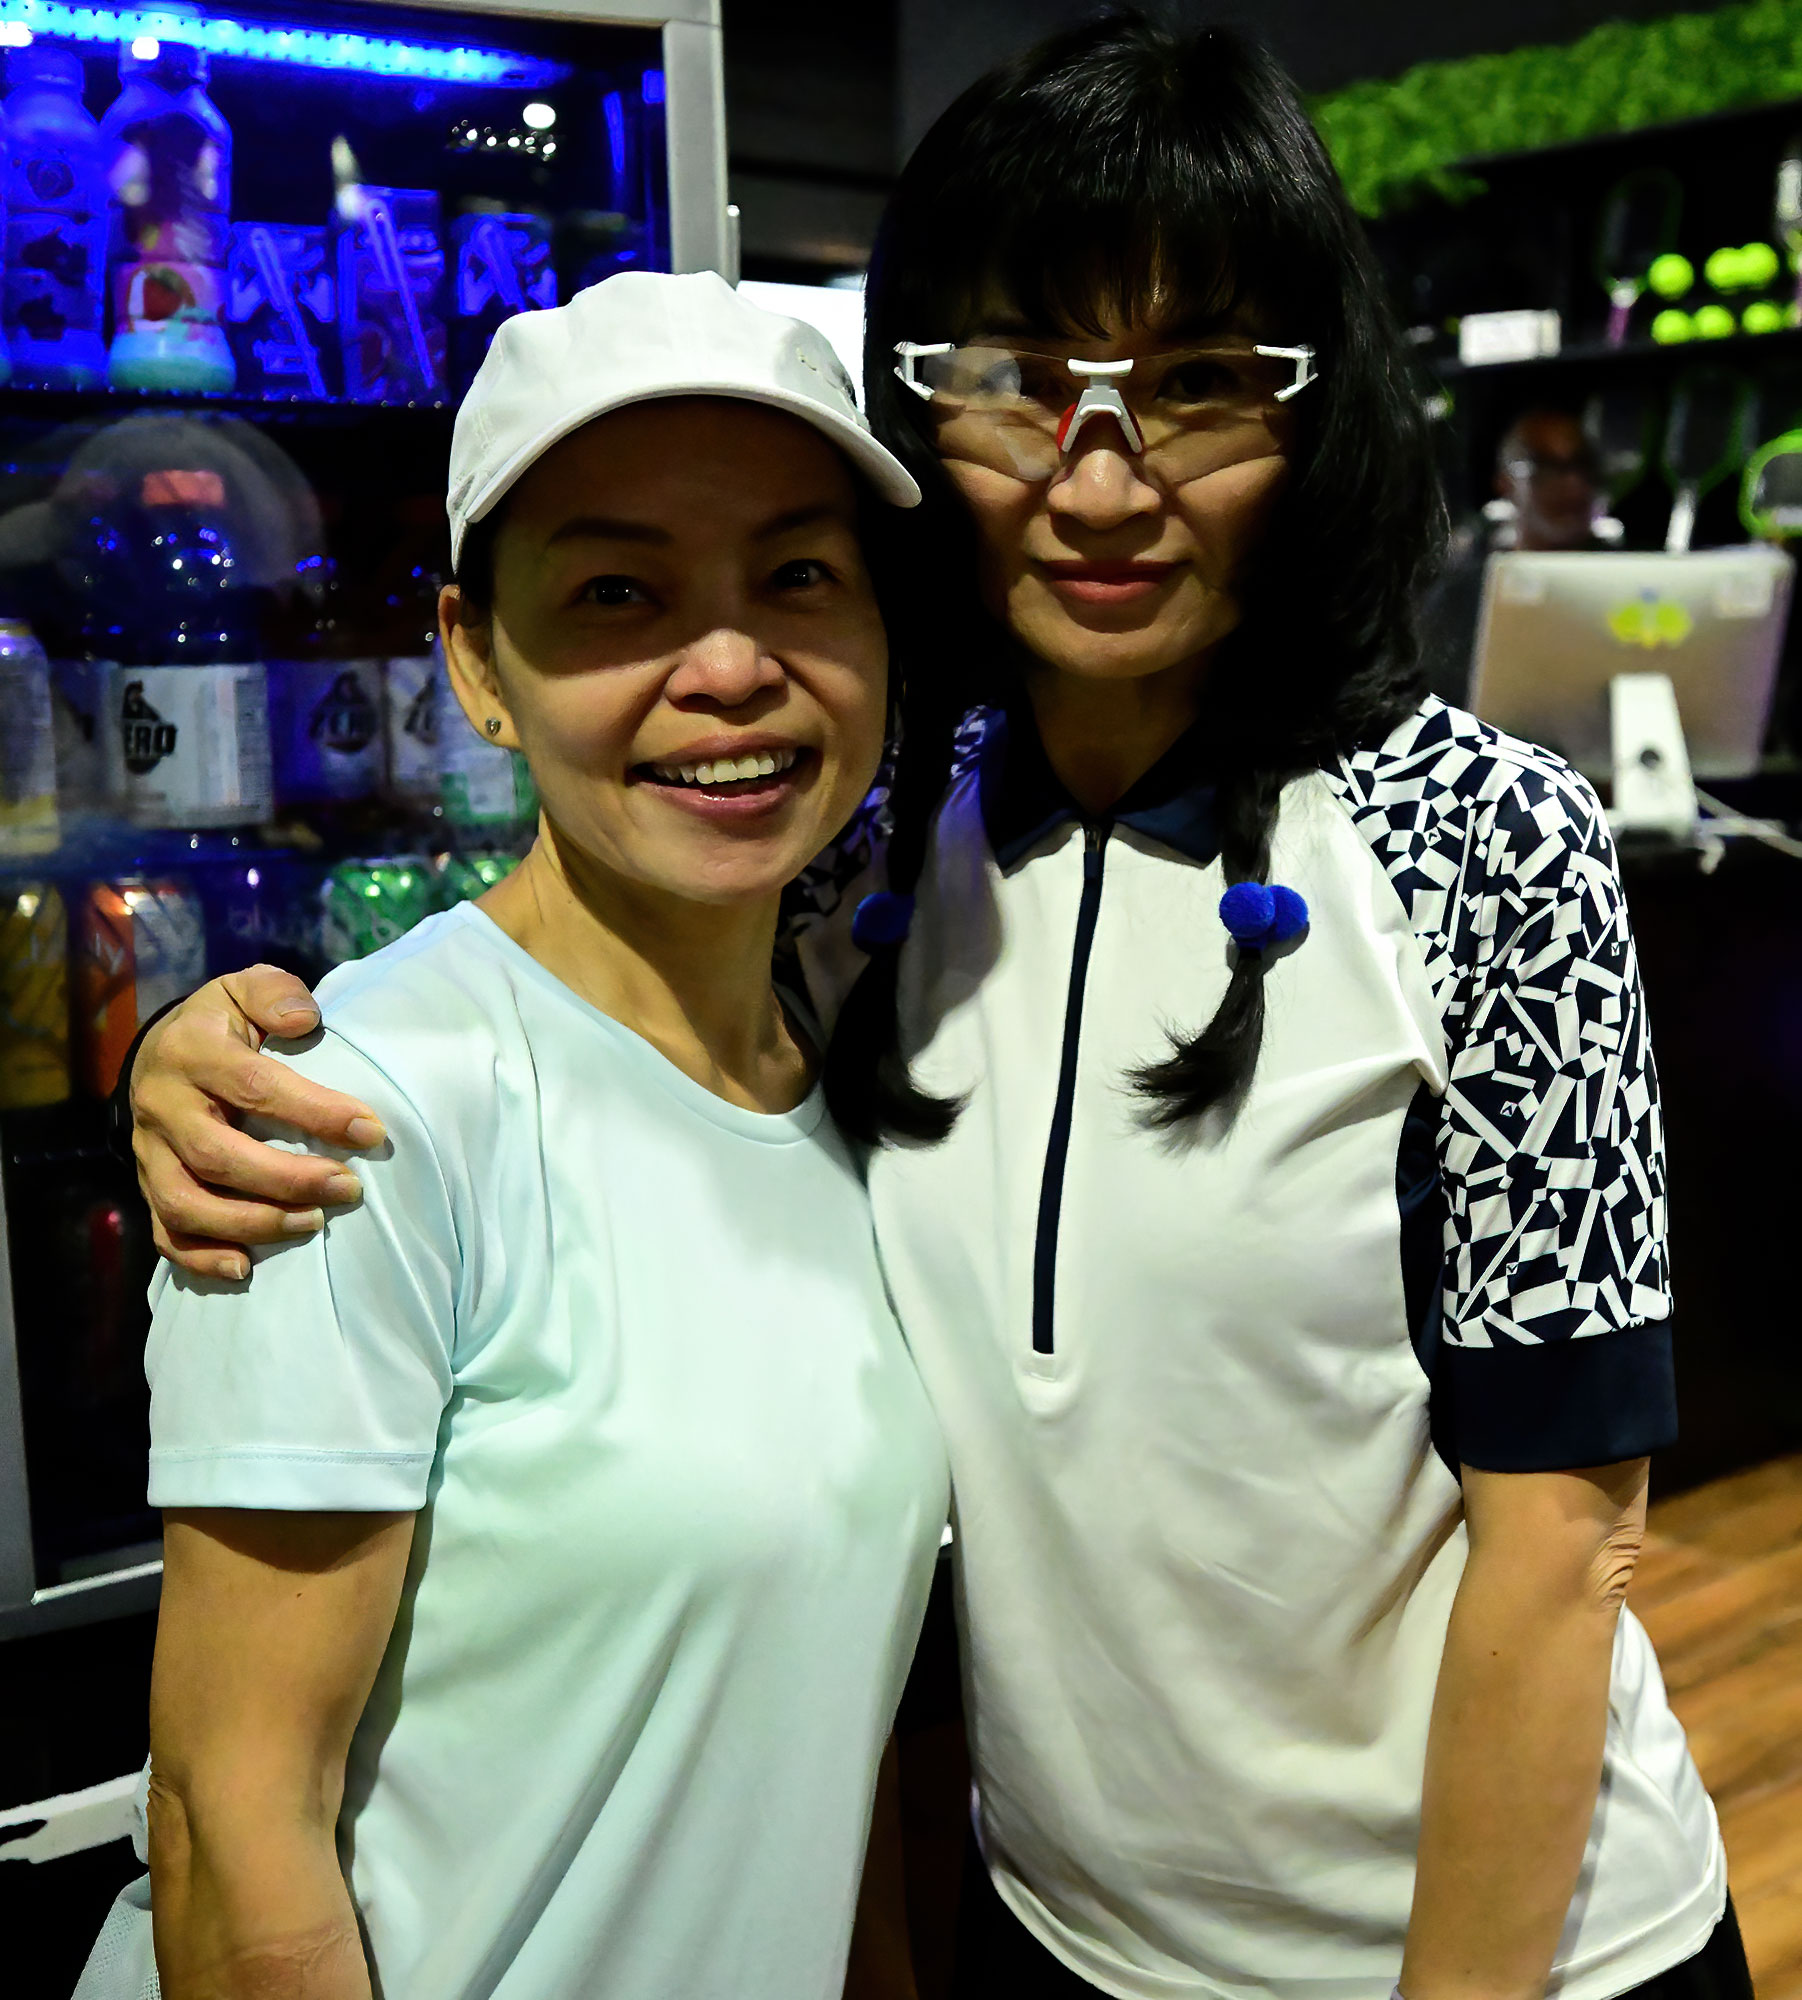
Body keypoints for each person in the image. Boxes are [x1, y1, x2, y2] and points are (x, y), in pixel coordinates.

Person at [124, 19, 1746, 2000]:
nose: (1100, 478)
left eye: (1197, 385)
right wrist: (194, 1054)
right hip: (1057, 1940)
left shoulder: (1485, 848)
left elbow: (1565, 1540)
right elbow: (578, 980)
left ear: (1310, 413)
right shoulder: (874, 859)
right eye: (1013, 381)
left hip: (1499, 1956)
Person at [77, 272, 947, 2000]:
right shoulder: (359, 1110)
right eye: (619, 592)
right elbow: (232, 1821)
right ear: (476, 661)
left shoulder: (870, 1064)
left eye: (798, 577)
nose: (730, 669)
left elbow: (803, 1737)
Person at [1418, 406, 1608, 700]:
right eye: (1545, 467)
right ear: (1505, 483)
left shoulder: (1634, 582)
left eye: (1582, 466)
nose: (1573, 484)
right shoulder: (1461, 597)